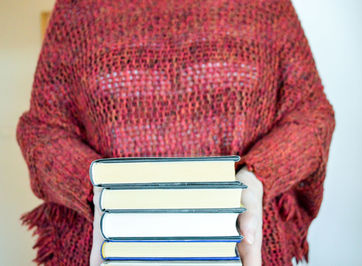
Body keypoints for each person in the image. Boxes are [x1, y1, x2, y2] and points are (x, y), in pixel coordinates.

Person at [16, 0, 336, 265]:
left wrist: (259, 176)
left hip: (243, 247)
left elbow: (310, 113)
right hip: (110, 245)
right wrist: (98, 190)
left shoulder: (267, 6)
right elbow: (43, 129)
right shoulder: (79, 8)